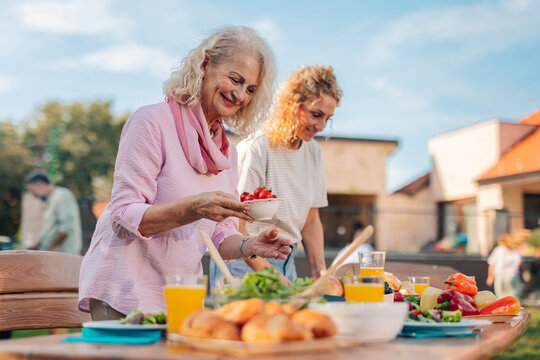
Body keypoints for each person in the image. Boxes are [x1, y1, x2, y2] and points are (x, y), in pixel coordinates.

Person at [78, 26, 293, 320]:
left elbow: (219, 233)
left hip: (179, 296)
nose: (241, 94)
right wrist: (194, 207)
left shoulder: (227, 152)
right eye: (235, 79)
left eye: (251, 89)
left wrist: (248, 245)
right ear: (205, 64)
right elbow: (124, 213)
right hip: (125, 293)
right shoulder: (151, 122)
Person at [211, 65, 342, 285]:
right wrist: (273, 277)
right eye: (316, 114)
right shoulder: (258, 148)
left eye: (327, 118)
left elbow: (311, 221)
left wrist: (320, 272)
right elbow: (236, 225)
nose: (321, 125)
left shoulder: (313, 151)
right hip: (245, 261)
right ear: (291, 106)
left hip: (285, 259)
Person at [24, 172, 82, 255]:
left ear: (40, 184)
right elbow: (50, 230)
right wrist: (37, 246)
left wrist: (52, 249)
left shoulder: (61, 195)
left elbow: (66, 227)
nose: (34, 195)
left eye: (32, 190)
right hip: (54, 255)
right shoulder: (51, 200)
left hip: (64, 256)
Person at [486, 230, 530, 299]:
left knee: (500, 296)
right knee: (513, 295)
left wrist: (490, 276)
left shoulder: (498, 250)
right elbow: (519, 263)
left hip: (499, 276)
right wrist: (524, 270)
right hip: (512, 276)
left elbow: (491, 264)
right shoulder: (515, 251)